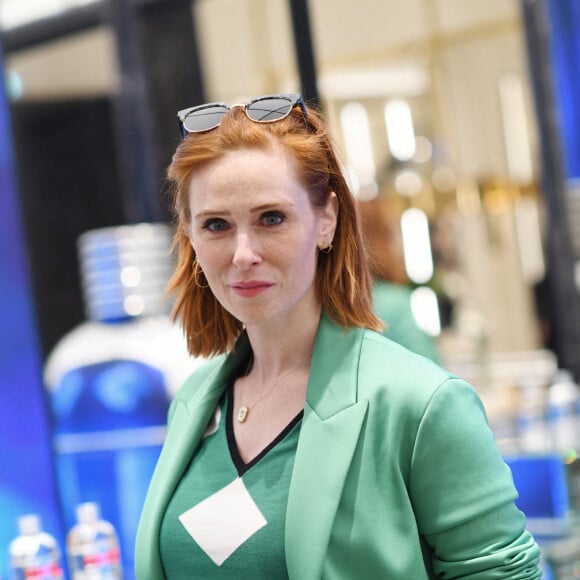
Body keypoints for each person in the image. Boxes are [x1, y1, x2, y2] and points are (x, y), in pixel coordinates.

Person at [135, 93, 541, 579]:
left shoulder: (418, 403)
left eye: (271, 218)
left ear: (325, 220)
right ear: (191, 237)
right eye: (217, 225)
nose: (243, 253)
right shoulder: (194, 401)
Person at [357, 197, 442, 363]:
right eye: (393, 234)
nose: (399, 244)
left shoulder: (331, 305)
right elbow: (429, 368)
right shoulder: (394, 302)